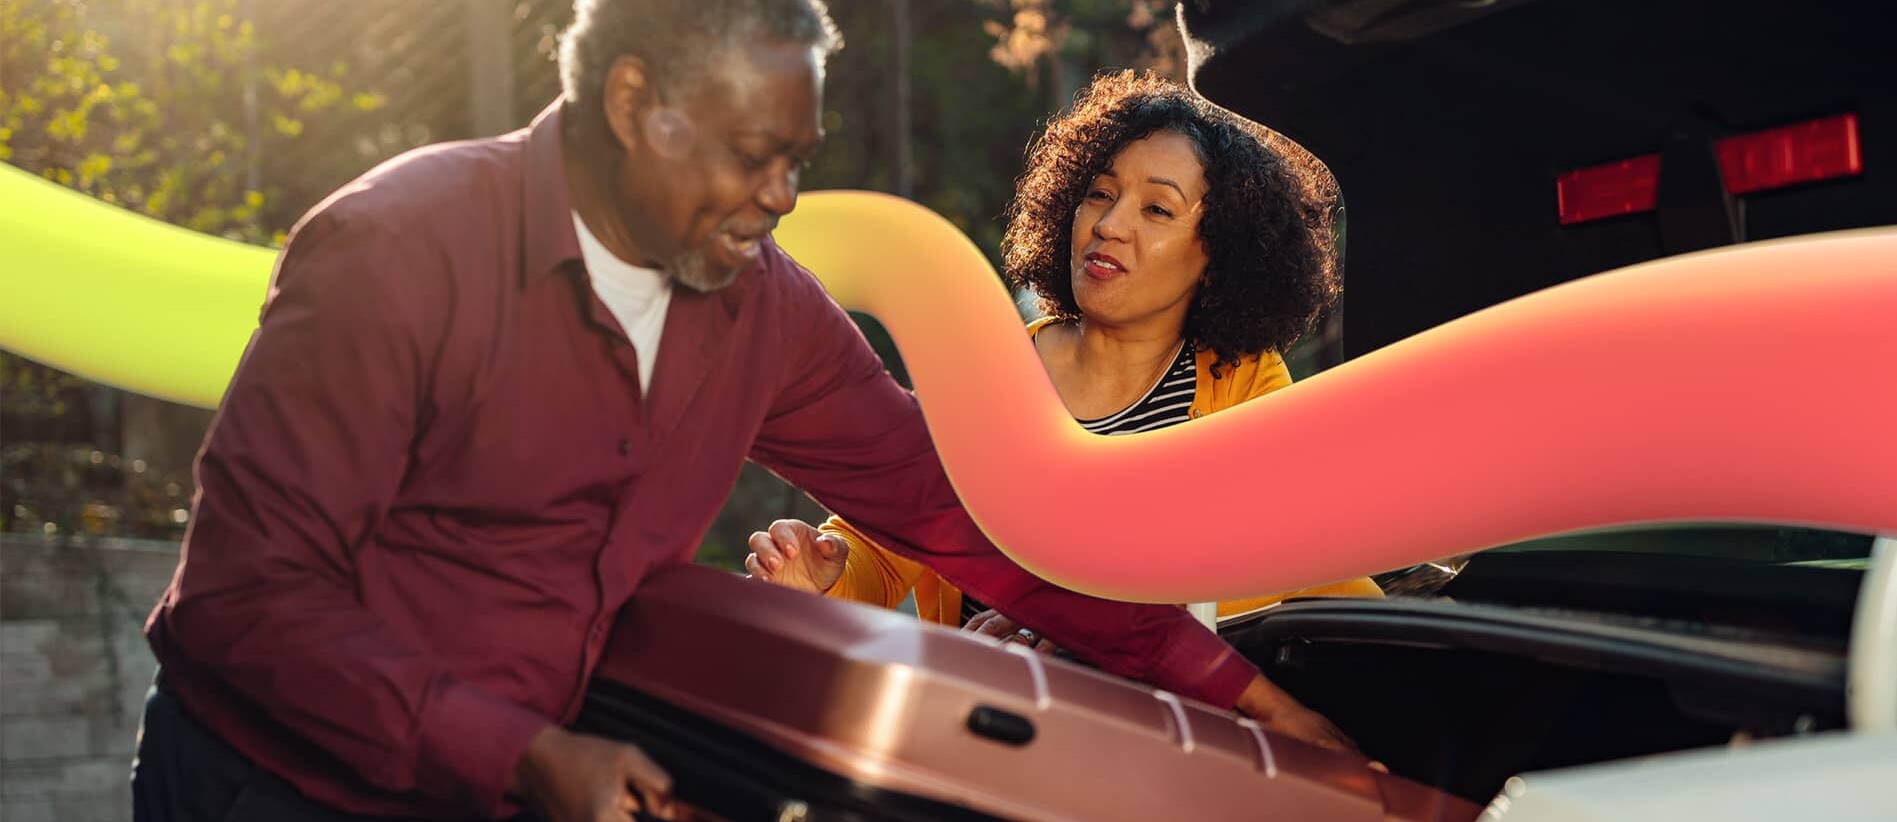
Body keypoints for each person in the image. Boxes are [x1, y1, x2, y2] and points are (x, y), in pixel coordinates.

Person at [130, 4, 1357, 822]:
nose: (780, 199)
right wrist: (525, 754)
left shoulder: (760, 304)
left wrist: (1252, 702)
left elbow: (968, 517)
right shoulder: (398, 248)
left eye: (797, 159)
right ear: (631, 104)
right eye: (751, 154)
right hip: (274, 783)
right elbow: (244, 602)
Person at [745, 71, 1381, 661]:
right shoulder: (982, 376)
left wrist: (1090, 624)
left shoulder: (1242, 382)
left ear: (1219, 255)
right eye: (1099, 193)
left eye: (1157, 209)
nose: (1109, 225)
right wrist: (821, 576)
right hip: (993, 718)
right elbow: (883, 550)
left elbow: (1303, 568)